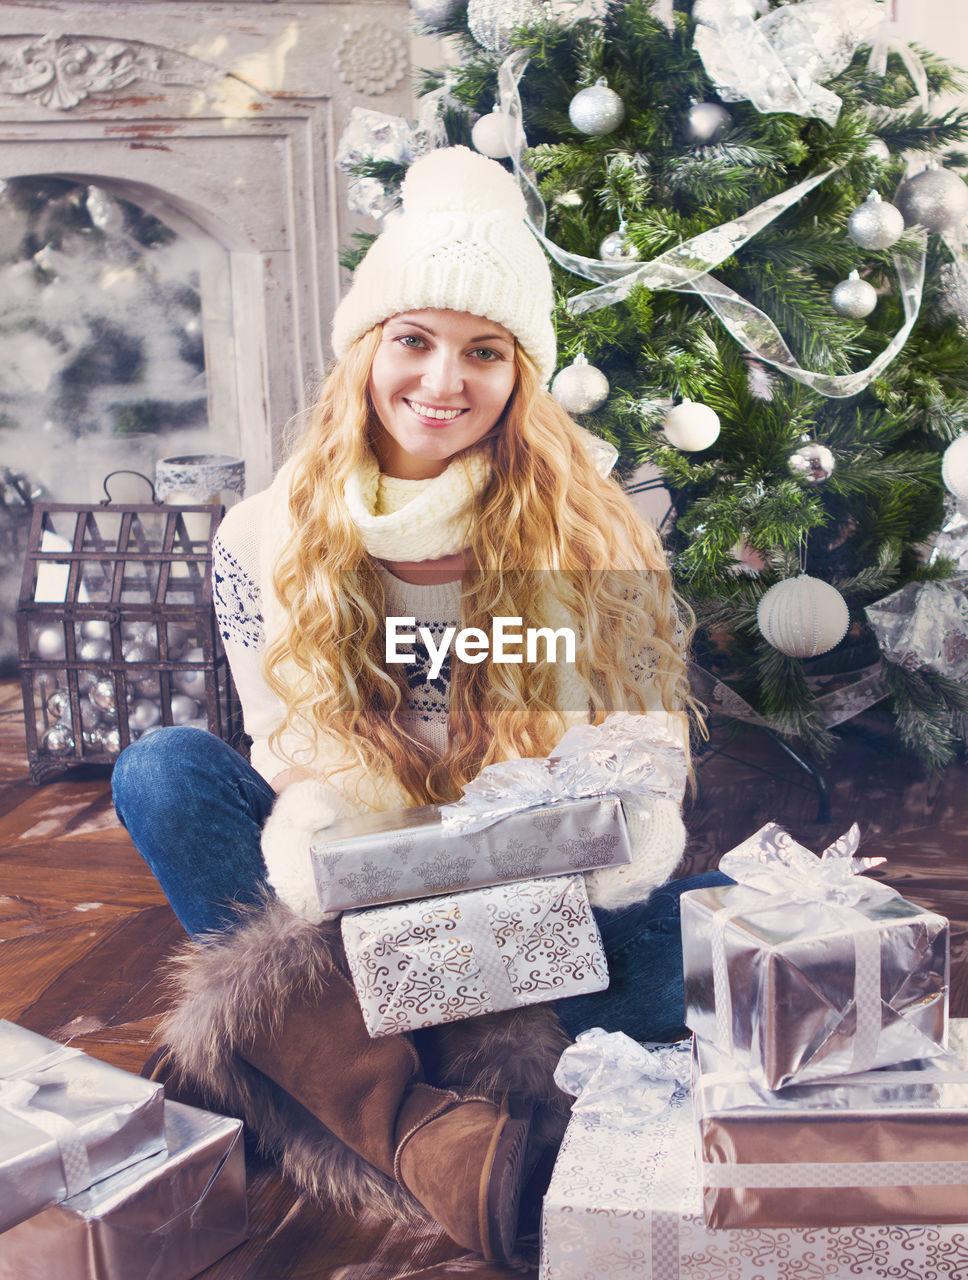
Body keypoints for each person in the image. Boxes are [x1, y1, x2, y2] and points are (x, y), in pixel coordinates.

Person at [111, 146, 728, 1264]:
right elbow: (289, 747)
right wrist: (364, 836)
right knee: (161, 768)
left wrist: (581, 832)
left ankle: (320, 1064)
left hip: (537, 901)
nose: (443, 381)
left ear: (517, 374)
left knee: (726, 917)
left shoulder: (593, 526)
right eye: (414, 340)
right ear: (365, 350)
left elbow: (635, 755)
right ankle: (417, 1124)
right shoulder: (262, 533)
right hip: (357, 900)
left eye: (482, 352)